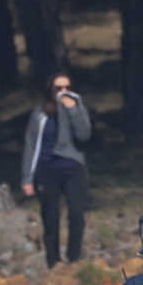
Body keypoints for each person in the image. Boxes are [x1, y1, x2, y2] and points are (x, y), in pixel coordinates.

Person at [18, 73, 92, 267]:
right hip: (47, 168)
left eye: (67, 87)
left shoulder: (77, 107)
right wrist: (27, 178)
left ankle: (74, 257)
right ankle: (53, 261)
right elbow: (31, 146)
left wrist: (73, 110)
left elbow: (84, 135)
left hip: (73, 168)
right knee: (50, 216)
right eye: (58, 88)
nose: (63, 92)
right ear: (50, 90)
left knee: (77, 213)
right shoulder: (40, 114)